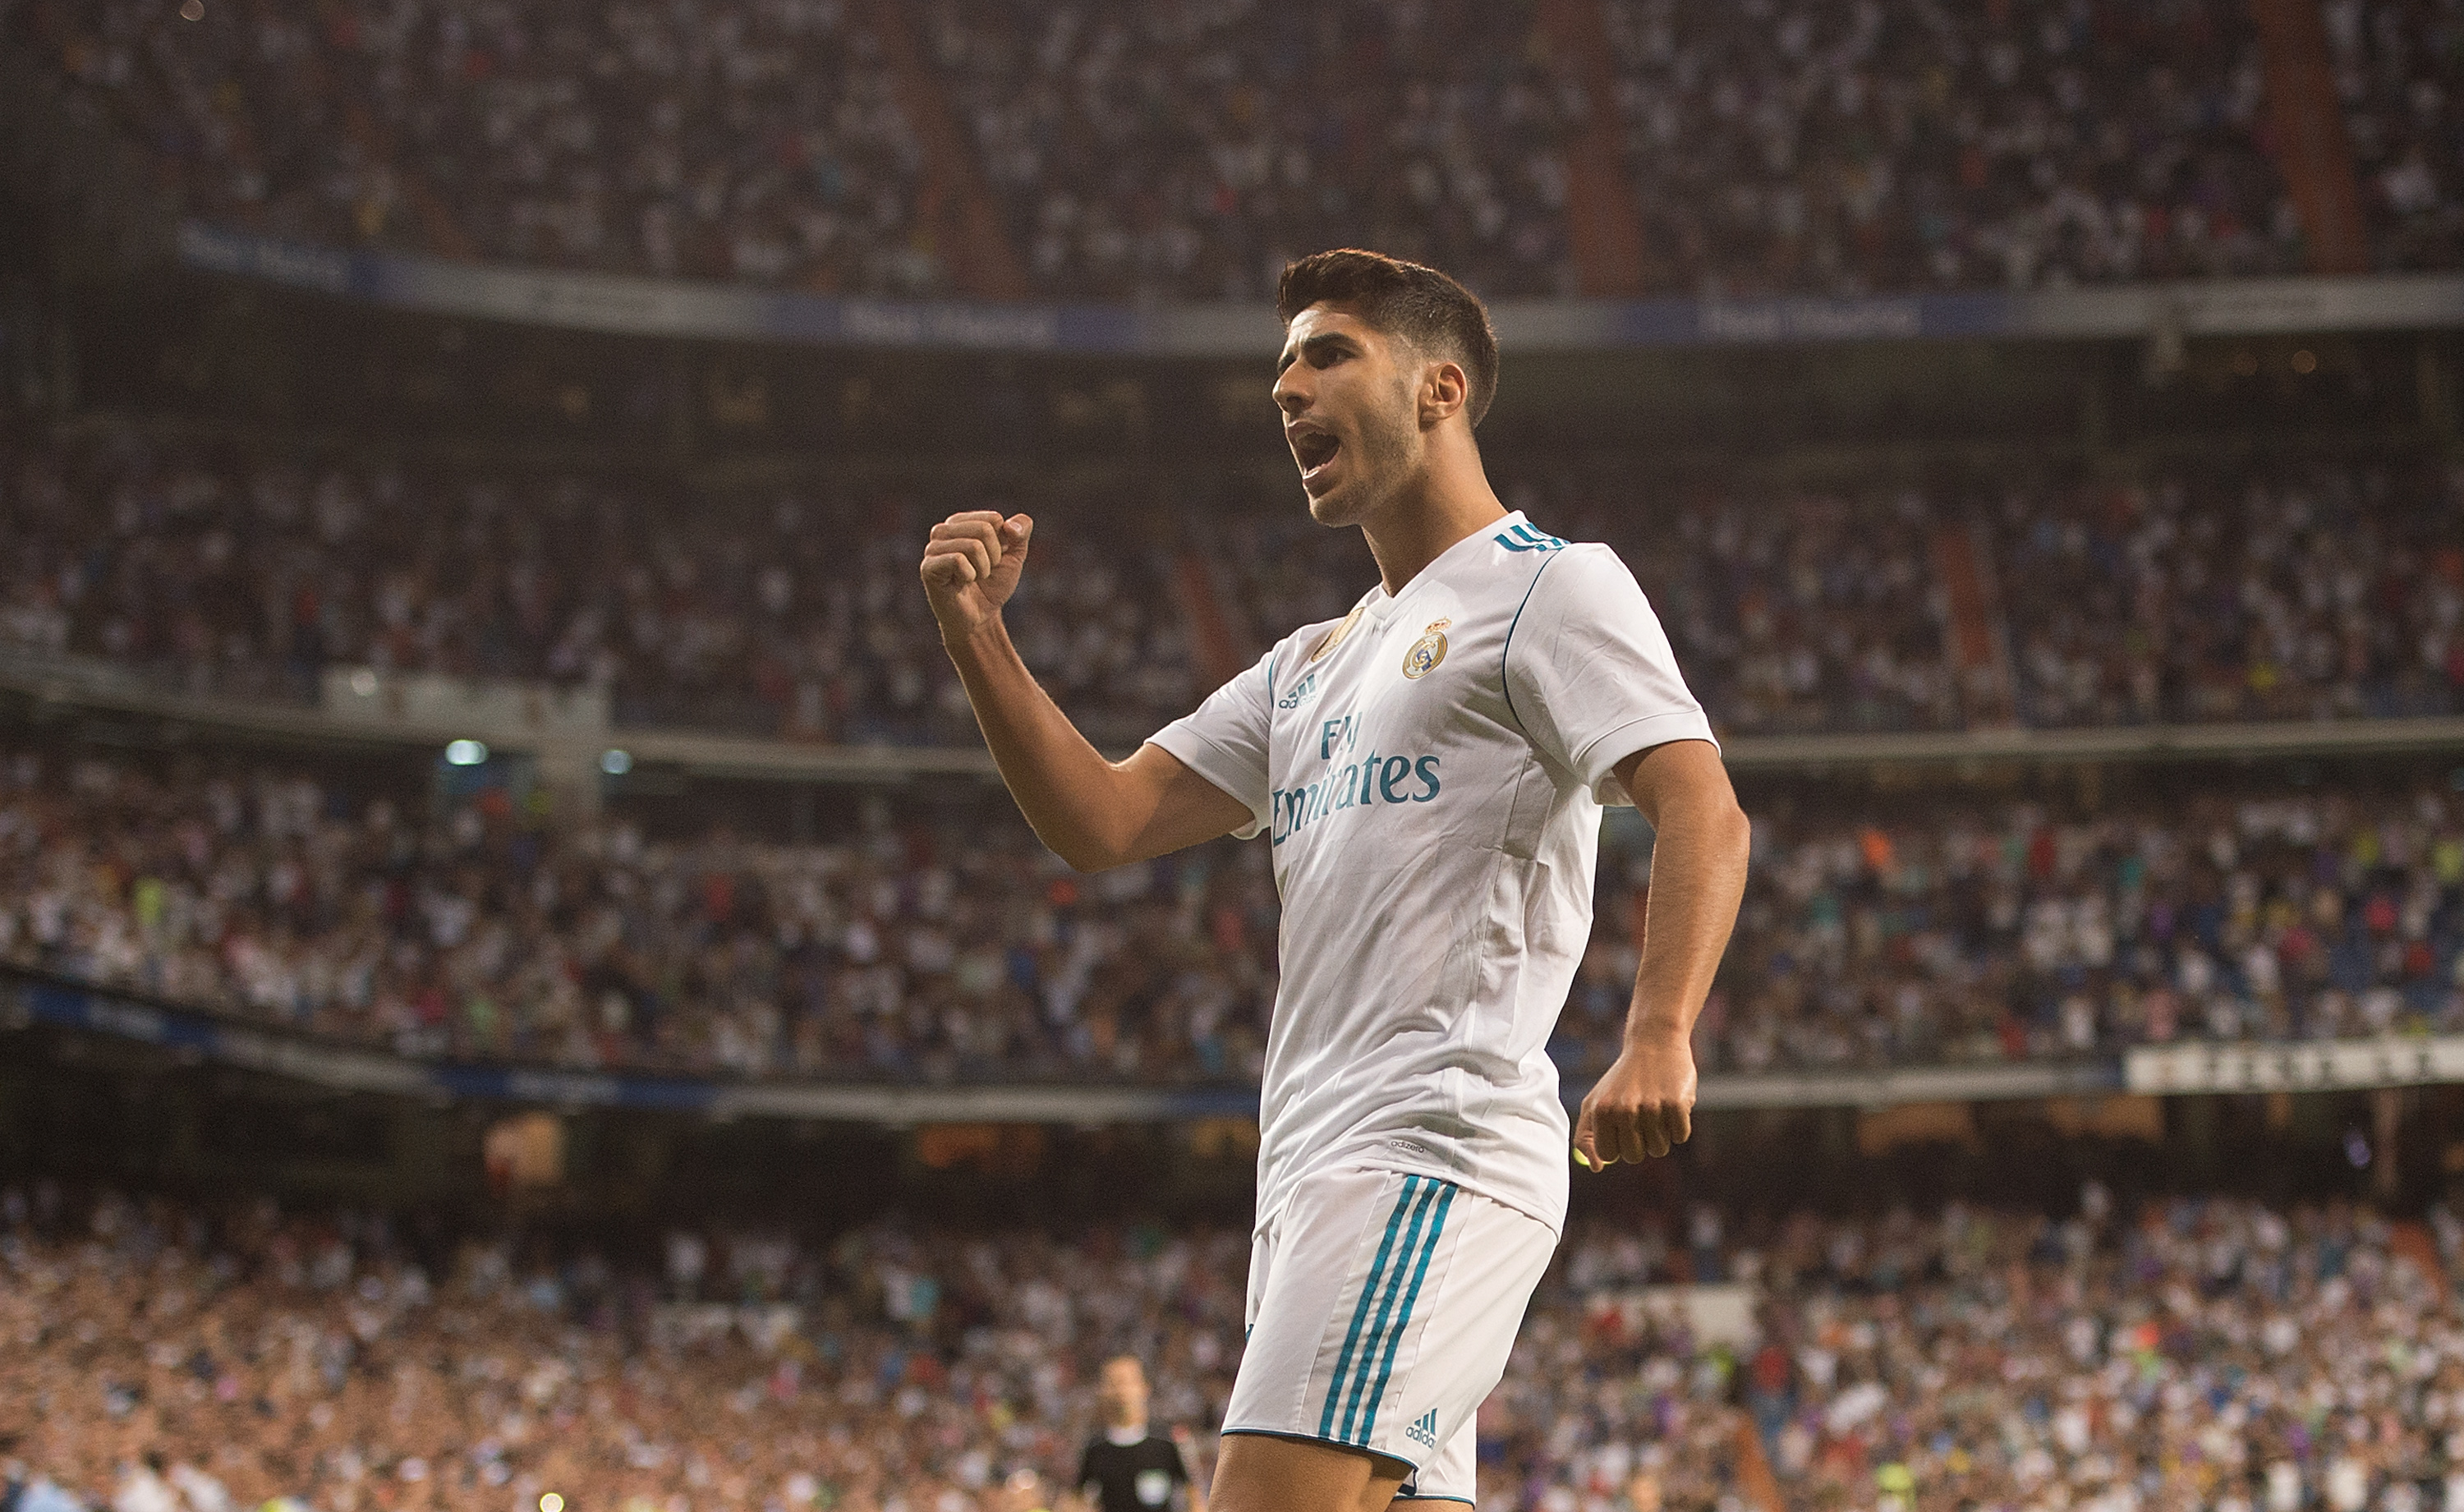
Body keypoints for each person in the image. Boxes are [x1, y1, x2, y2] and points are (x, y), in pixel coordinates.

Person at [919, 249, 1749, 1512]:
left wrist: (1660, 1031)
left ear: (1439, 389)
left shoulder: (1550, 584)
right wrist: (976, 635)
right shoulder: (1309, 663)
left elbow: (1701, 804)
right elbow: (1102, 819)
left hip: (1424, 1150)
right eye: (1282, 368)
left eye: (1328, 355)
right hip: (1310, 1180)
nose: (1286, 389)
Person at [1072, 1358, 1208, 1512]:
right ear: (1102, 1390)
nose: (1121, 1390)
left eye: (1127, 1382)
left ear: (1144, 1387)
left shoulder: (1168, 1441)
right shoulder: (1095, 1448)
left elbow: (1194, 1495)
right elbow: (1077, 1498)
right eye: (1113, 1383)